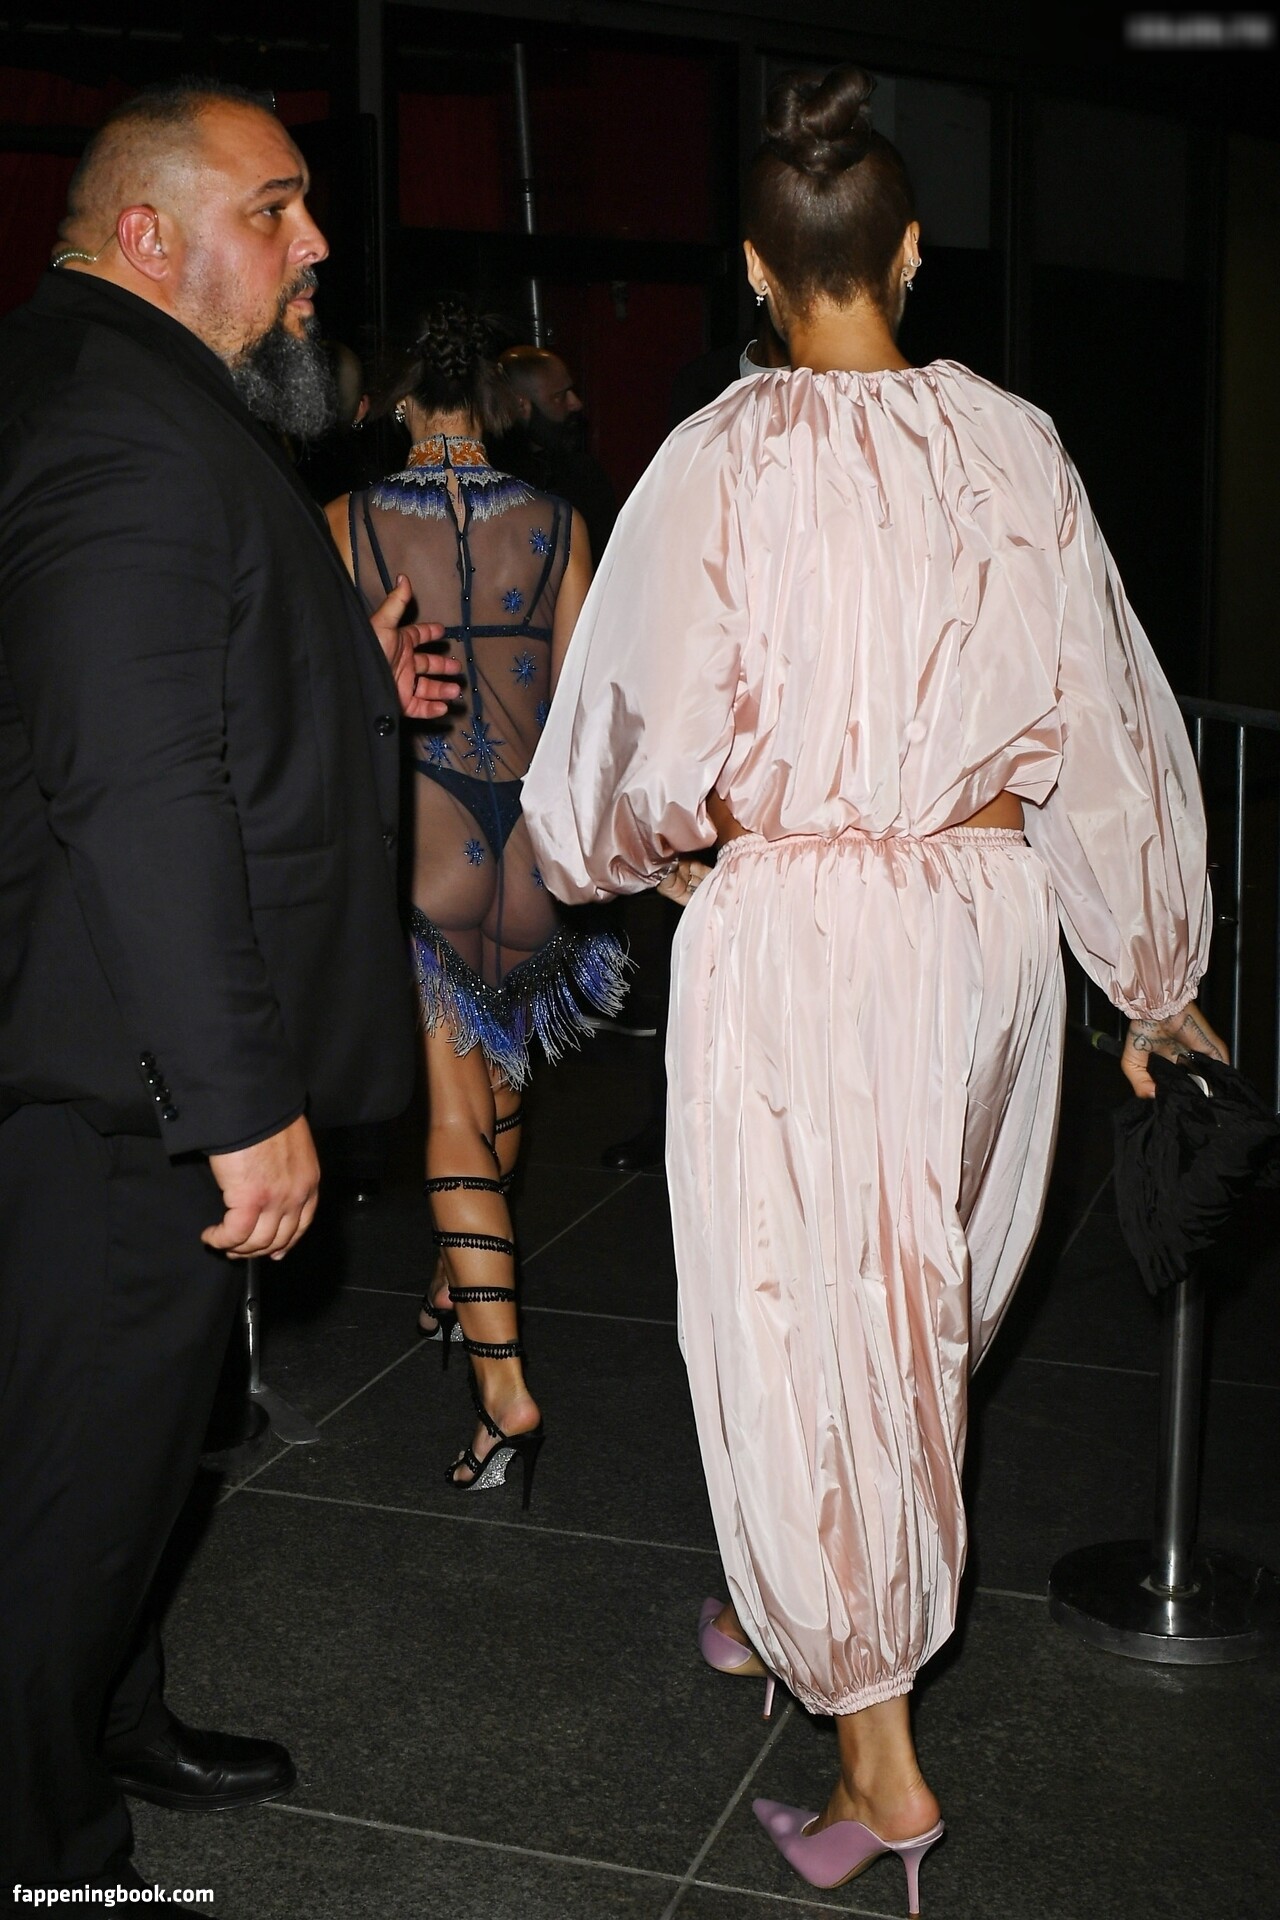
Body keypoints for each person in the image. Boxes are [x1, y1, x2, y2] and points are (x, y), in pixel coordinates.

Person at [524, 64, 1224, 1910]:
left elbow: (623, 734)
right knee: (913, 1305)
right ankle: (799, 1603)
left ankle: (881, 1765)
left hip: (806, 934)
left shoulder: (720, 460)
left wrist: (640, 854)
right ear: (912, 252)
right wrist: (1152, 970)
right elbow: (1108, 718)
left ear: (759, 272)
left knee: (811, 1319)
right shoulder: (1017, 446)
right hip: (982, 927)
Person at [0, 80, 461, 1890]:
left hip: (103, 1051)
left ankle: (106, 1717)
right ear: (147, 236)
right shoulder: (122, 425)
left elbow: (158, 684)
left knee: (125, 1462)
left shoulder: (115, 388)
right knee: (71, 1490)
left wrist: (345, 682)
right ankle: (49, 1846)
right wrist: (238, 1102)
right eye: (275, 210)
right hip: (121, 1082)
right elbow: (131, 782)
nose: (316, 244)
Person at [326, 299, 625, 1506]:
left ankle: (503, 1389)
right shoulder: (558, 523)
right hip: (530, 842)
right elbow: (589, 703)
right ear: (492, 407)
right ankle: (461, 1281)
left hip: (430, 828)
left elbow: (329, 693)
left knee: (452, 1112)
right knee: (502, 1090)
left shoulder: (348, 521)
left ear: (401, 399)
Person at [497, 344, 618, 562]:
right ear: (522, 406)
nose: (575, 403)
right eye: (559, 396)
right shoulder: (495, 481)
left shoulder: (586, 475)